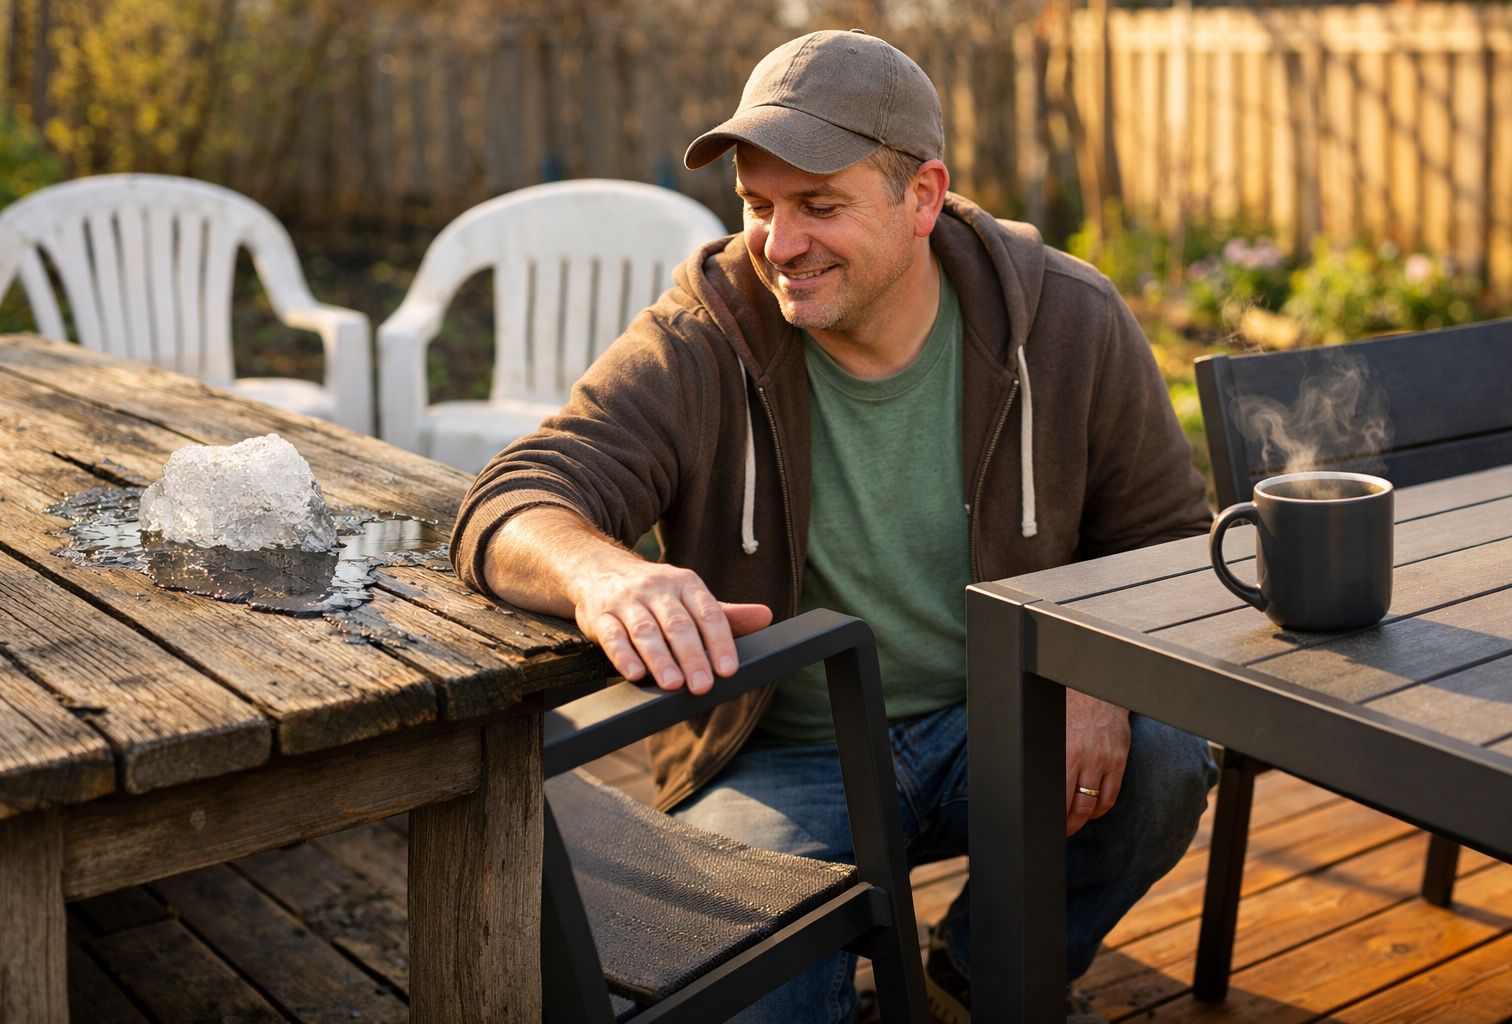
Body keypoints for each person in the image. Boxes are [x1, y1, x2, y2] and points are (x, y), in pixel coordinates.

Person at [451, 28, 1217, 1024]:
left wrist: (1097, 678)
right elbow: (513, 497)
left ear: (923, 198)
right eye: (759, 205)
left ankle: (977, 974)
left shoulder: (1065, 319)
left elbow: (1166, 540)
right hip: (782, 757)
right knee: (752, 1006)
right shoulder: (703, 333)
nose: (778, 242)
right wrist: (605, 575)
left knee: (1165, 753)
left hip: (1005, 715)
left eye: (820, 205)